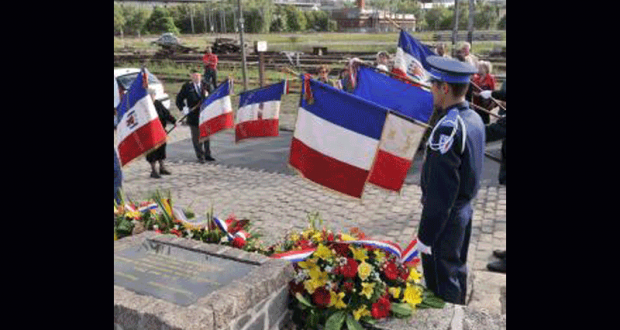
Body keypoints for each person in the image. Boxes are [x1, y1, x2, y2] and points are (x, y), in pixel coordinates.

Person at [416, 56, 485, 305]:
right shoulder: (474, 117)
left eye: (433, 85)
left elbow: (440, 192)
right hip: (463, 210)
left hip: (445, 219)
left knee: (441, 282)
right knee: (455, 270)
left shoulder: (449, 127)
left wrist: (425, 237)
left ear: (444, 88)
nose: (431, 90)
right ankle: (458, 313)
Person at [176, 70, 214, 163]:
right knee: (196, 137)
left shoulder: (206, 85)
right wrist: (184, 109)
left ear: (200, 76)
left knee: (206, 135)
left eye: (198, 76)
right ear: (191, 77)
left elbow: (213, 96)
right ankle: (200, 156)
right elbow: (179, 100)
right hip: (193, 115)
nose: (196, 78)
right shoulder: (187, 87)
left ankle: (207, 154)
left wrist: (208, 95)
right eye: (194, 76)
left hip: (205, 114)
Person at [146, 88, 177, 178]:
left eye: (153, 95)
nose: (153, 97)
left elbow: (166, 114)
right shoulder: (144, 106)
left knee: (161, 149)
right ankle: (153, 170)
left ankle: (162, 167)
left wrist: (174, 121)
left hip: (160, 131)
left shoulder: (158, 103)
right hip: (149, 133)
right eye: (151, 95)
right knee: (152, 152)